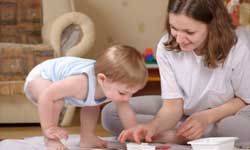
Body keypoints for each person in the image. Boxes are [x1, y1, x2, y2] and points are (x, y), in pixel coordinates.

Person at [101, 0, 250, 147]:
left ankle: (177, 135)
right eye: (174, 28)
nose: (179, 39)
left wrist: (207, 118)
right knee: (111, 113)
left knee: (238, 127)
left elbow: (244, 99)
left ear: (213, 26)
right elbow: (172, 106)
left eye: (189, 32)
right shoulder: (166, 46)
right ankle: (186, 134)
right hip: (183, 110)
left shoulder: (238, 45)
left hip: (226, 113)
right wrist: (152, 127)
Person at [23, 45, 148, 149]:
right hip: (42, 77)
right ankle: (50, 139)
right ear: (102, 79)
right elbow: (46, 96)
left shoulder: (116, 87)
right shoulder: (80, 82)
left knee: (93, 105)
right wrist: (49, 128)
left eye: (132, 93)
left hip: (59, 87)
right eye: (123, 93)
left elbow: (125, 111)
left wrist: (133, 132)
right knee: (57, 101)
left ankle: (87, 138)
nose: (127, 98)